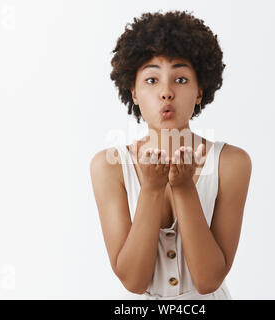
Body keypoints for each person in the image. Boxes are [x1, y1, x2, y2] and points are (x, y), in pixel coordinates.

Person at [90, 10, 252, 299]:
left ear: (200, 90)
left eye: (180, 79)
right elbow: (134, 281)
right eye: (152, 80)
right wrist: (151, 189)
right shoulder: (108, 166)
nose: (166, 92)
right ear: (134, 92)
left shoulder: (232, 163)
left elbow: (208, 280)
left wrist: (184, 187)